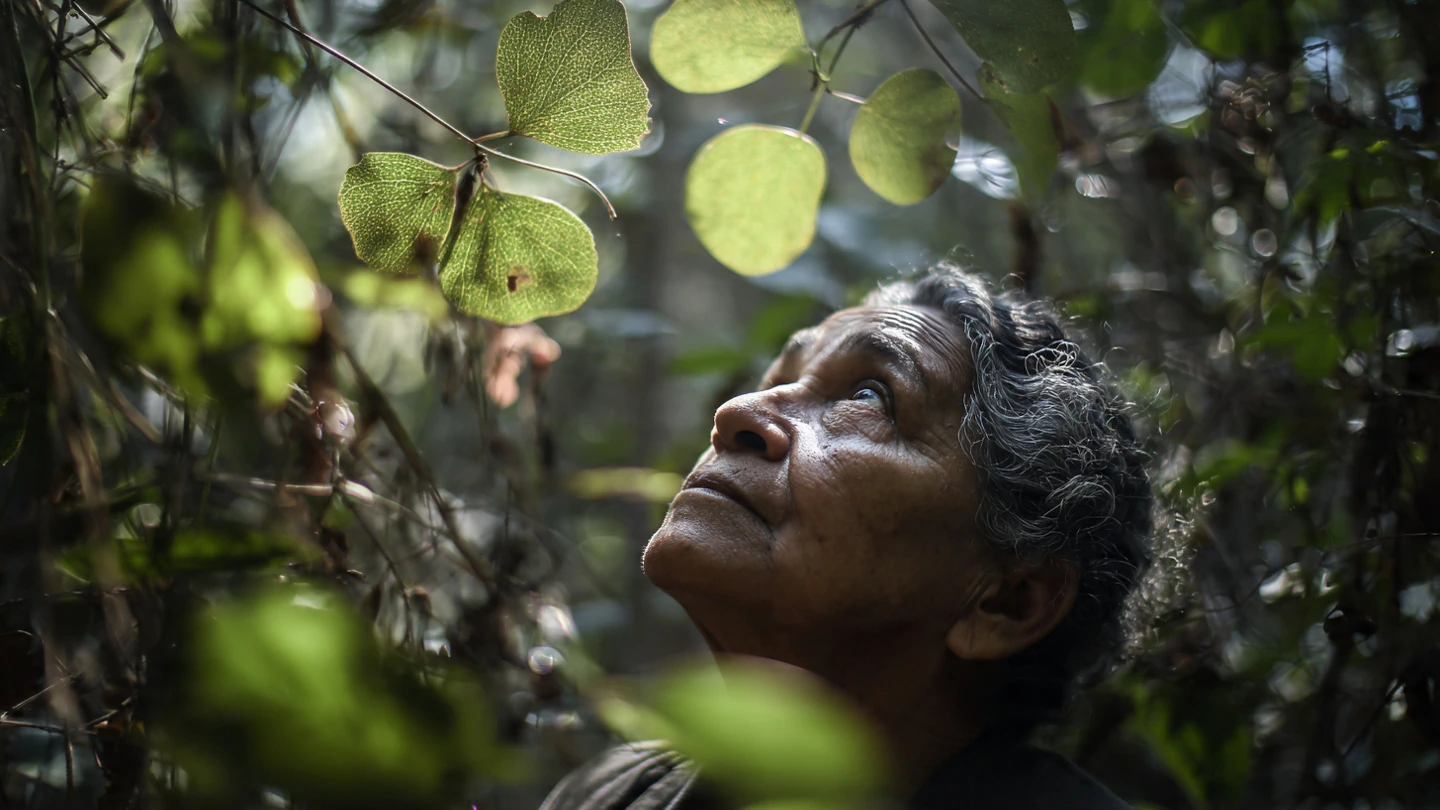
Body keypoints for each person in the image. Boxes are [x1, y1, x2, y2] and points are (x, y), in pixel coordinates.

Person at [542, 266, 1153, 810]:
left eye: (870, 396)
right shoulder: (607, 793)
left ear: (1008, 601)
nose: (737, 411)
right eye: (778, 377)